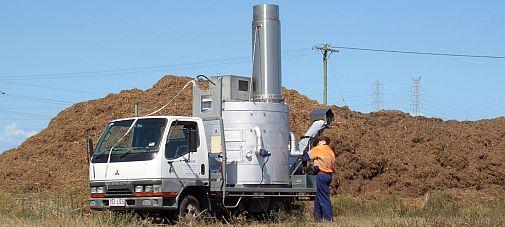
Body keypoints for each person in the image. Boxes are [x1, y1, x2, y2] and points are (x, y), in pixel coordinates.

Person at [306, 135, 335, 221]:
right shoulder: (330, 151)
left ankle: (328, 219)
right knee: (318, 196)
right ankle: (317, 218)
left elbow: (305, 157)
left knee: (324, 197)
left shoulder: (319, 149)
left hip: (321, 175)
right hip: (329, 175)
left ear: (319, 142)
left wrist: (304, 165)